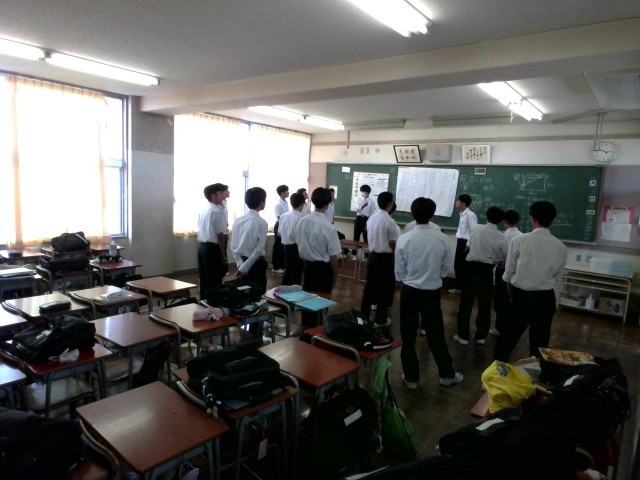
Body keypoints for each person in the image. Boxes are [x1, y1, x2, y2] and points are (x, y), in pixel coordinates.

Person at [395, 197, 463, 390]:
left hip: (409, 291)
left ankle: (411, 378)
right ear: (432, 215)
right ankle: (447, 375)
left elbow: (398, 272)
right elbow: (444, 270)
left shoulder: (404, 239)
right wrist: (431, 278)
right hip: (431, 293)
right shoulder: (442, 238)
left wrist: (410, 279)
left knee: (407, 335)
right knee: (436, 334)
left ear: (412, 214)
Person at [494, 201, 567, 362]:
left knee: (507, 340)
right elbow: (557, 277)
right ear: (552, 220)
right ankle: (537, 373)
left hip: (521, 297)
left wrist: (512, 297)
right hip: (546, 299)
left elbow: (508, 274)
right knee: (540, 345)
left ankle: (497, 371)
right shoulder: (560, 246)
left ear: (533, 219)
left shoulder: (519, 241)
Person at [453, 206, 508, 346]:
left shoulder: (477, 228)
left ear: (486, 216)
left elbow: (469, 245)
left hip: (470, 268)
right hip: (486, 270)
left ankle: (463, 336)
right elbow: (503, 256)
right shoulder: (502, 236)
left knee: (466, 302)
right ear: (501, 221)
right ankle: (480, 336)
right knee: (484, 304)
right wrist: (495, 261)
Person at [296, 187, 342, 327]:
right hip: (323, 270)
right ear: (327, 205)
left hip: (308, 267)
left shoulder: (302, 221)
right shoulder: (328, 227)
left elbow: (299, 242)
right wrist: (335, 274)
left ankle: (305, 330)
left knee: (307, 300)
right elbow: (333, 257)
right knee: (321, 303)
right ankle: (318, 331)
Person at [360, 192, 398, 326]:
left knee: (369, 286)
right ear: (390, 204)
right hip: (384, 258)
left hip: (372, 256)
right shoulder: (390, 221)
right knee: (384, 288)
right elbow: (392, 243)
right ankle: (380, 320)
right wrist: (395, 252)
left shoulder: (372, 217)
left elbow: (367, 232)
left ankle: (363, 316)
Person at [491, 209, 522, 336]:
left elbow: (498, 255)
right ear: (518, 221)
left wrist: (497, 262)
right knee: (512, 300)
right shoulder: (521, 235)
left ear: (504, 221)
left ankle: (500, 328)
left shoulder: (503, 236)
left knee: (501, 300)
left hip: (503, 270)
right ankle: (510, 326)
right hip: (517, 271)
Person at [230, 187, 268, 288]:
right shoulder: (262, 223)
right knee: (257, 291)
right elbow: (259, 249)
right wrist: (244, 268)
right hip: (255, 263)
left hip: (242, 262)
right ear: (261, 202)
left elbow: (233, 245)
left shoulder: (238, 220)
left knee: (243, 291)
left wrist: (240, 265)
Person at [197, 183, 228, 299]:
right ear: (213, 195)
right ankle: (213, 303)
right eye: (220, 193)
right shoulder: (216, 211)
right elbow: (220, 236)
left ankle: (203, 301)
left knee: (205, 279)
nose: (222, 196)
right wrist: (223, 255)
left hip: (202, 248)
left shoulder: (204, 209)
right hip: (212, 249)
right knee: (215, 280)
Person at [449, 194, 477, 294]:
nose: (456, 202)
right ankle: (459, 287)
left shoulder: (470, 215)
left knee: (463, 266)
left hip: (466, 243)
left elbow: (474, 230)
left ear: (463, 203)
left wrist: (469, 243)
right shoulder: (462, 214)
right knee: (458, 265)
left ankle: (462, 288)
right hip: (460, 241)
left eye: (458, 201)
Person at [278, 192, 305, 286]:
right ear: (302, 204)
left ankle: (284, 289)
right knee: (297, 272)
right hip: (297, 247)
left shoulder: (284, 216)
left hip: (286, 247)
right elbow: (302, 236)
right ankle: (294, 291)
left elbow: (279, 233)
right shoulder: (302, 218)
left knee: (288, 270)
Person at [271, 184, 289, 274]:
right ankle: (275, 266)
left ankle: (282, 265)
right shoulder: (278, 205)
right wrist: (279, 230)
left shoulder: (286, 202)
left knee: (282, 247)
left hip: (284, 225)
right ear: (282, 193)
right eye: (287, 191)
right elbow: (279, 218)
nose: (288, 192)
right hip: (279, 225)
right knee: (277, 247)